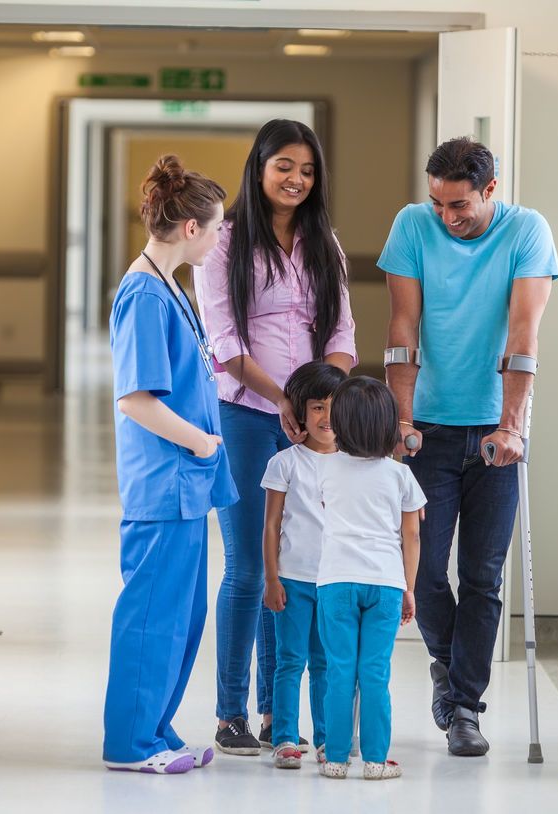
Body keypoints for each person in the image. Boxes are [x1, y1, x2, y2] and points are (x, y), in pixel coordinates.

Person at [379, 137, 558, 756]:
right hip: (427, 427)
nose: (446, 217)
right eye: (437, 204)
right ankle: (447, 664)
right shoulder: (412, 224)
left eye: (458, 205)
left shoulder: (527, 230)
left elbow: (523, 329)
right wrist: (401, 419)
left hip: (494, 435)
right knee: (424, 570)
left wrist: (511, 425)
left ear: (490, 191)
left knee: (481, 576)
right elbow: (403, 328)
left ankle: (463, 706)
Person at [194, 119, 357, 755]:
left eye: (308, 170)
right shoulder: (225, 243)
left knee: (290, 566)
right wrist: (282, 399)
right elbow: (225, 345)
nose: (296, 179)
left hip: (312, 424)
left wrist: (322, 403)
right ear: (259, 168)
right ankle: (231, 710)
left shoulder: (325, 244)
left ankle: (276, 711)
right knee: (246, 566)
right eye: (284, 165)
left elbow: (342, 334)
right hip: (244, 414)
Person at [102, 155, 237, 774]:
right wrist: (201, 442)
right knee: (153, 613)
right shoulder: (142, 294)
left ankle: (155, 729)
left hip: (186, 483)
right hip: (165, 480)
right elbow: (135, 399)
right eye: (215, 228)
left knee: (184, 613)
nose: (218, 238)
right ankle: (130, 745)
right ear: (189, 228)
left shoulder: (169, 287)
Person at [314, 376, 424, 780]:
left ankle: (337, 759)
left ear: (338, 425)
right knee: (375, 672)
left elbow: (326, 506)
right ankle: (376, 760)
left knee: (340, 670)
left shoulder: (325, 468)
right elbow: (411, 535)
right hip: (385, 583)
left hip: (336, 581)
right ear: (389, 427)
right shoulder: (400, 476)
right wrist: (408, 586)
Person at [261, 361, 348, 769]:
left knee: (327, 664)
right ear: (299, 411)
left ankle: (329, 739)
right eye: (316, 407)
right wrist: (272, 578)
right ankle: (284, 738)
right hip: (293, 580)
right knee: (290, 660)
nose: (325, 417)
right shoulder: (285, 463)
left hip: (335, 581)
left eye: (333, 407)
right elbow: (272, 525)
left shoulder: (356, 464)